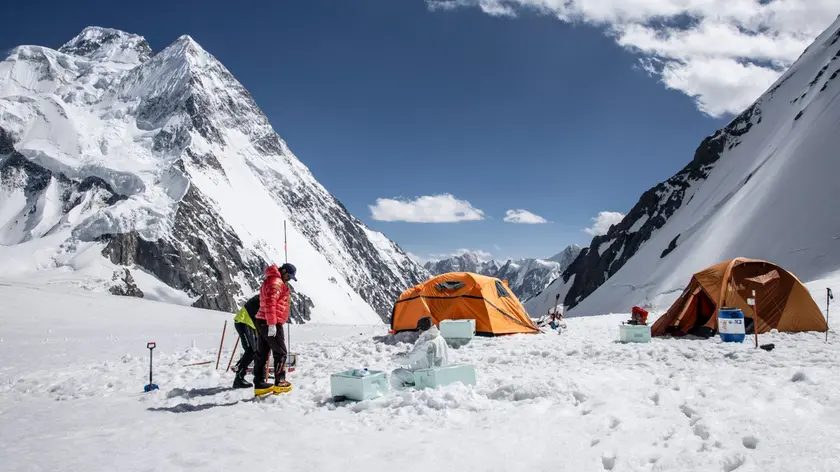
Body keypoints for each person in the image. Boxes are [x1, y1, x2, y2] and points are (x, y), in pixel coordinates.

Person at [253, 262, 297, 396]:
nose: (289, 279)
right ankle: (280, 381)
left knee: (262, 353)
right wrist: (272, 324)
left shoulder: (271, 280)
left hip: (262, 321)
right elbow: (270, 303)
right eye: (289, 276)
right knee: (281, 352)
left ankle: (259, 384)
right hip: (271, 322)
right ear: (283, 272)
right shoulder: (276, 282)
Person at [390, 316, 449, 389]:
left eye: (418, 329)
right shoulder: (439, 338)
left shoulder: (426, 342)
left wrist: (395, 358)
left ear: (421, 329)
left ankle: (406, 394)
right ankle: (411, 388)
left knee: (396, 374)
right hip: (441, 373)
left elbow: (409, 359)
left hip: (428, 376)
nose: (418, 331)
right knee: (408, 367)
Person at [231, 293, 260, 388]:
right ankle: (239, 378)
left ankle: (240, 371)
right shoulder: (264, 298)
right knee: (250, 351)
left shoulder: (264, 296)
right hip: (243, 322)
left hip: (247, 323)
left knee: (253, 350)